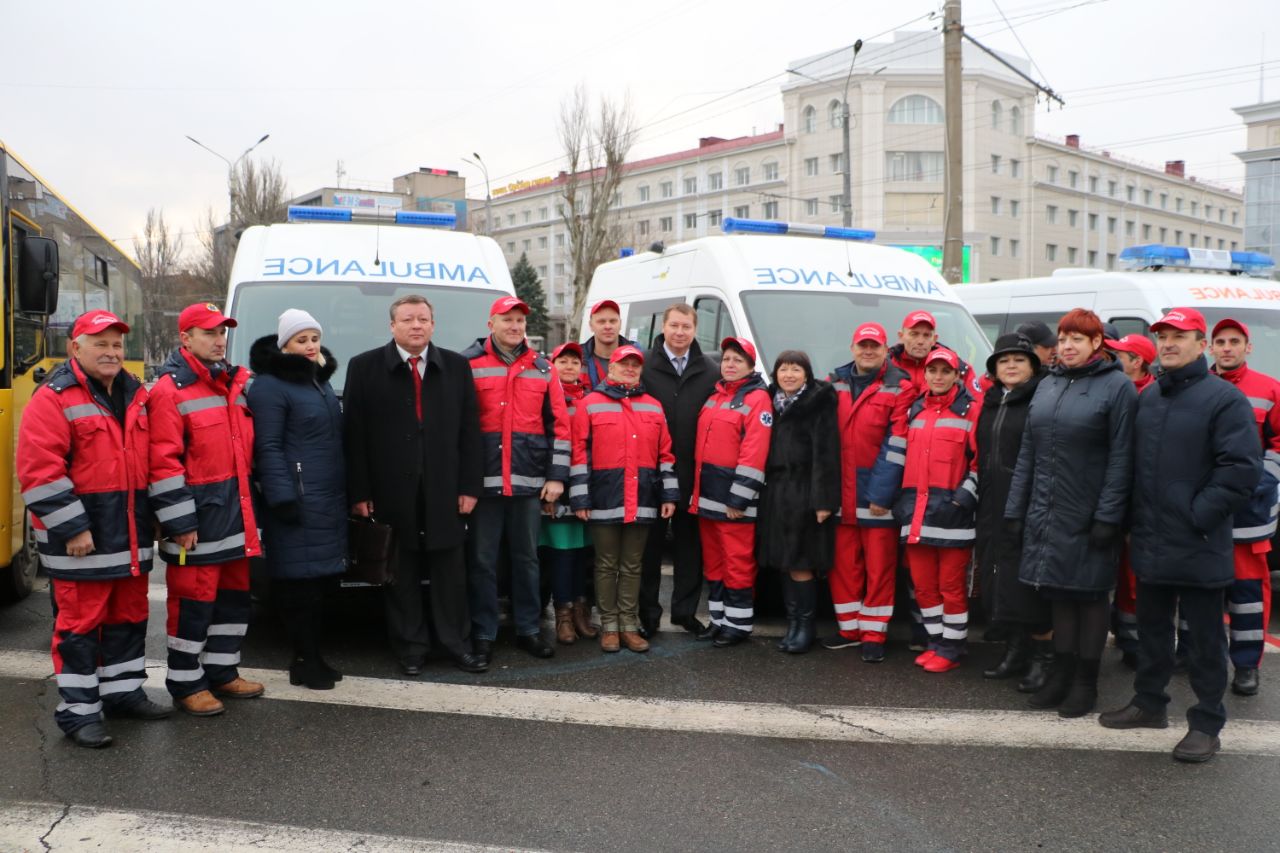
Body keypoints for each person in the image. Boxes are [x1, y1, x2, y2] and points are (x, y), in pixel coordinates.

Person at [1099, 307, 1261, 764]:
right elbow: (1134, 466)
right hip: (1151, 540)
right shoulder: (1150, 398)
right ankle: (1149, 703)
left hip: (1198, 541)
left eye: (1179, 336)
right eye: (1162, 335)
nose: (1168, 343)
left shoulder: (1224, 400)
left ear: (1201, 343)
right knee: (1152, 630)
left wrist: (1196, 515)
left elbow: (1241, 470)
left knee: (1206, 640)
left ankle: (1207, 723)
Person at [17, 310, 169, 747]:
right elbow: (39, 471)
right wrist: (73, 528)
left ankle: (122, 694)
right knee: (80, 627)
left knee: (128, 618)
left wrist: (158, 518)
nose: (112, 352)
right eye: (100, 343)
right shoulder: (54, 398)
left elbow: (148, 466)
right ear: (75, 348)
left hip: (130, 539)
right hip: (83, 542)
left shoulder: (135, 394)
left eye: (117, 344)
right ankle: (79, 712)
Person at [1005, 308, 1136, 718]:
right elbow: (1029, 451)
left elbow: (1122, 459)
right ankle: (1060, 674)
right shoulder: (1049, 384)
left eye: (1077, 339)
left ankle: (1085, 682)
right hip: (1046, 509)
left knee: (1090, 597)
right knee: (1058, 593)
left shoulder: (1117, 387)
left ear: (1097, 343)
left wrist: (1108, 517)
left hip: (1089, 511)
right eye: (1063, 339)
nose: (1068, 346)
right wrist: (1016, 509)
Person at [345, 295, 485, 676]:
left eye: (423, 318)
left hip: (445, 489)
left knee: (450, 573)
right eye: (407, 319)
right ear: (392, 326)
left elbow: (470, 431)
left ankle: (458, 645)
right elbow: (354, 436)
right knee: (401, 573)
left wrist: (470, 486)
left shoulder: (456, 367)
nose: (416, 325)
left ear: (433, 325)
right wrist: (360, 493)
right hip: (391, 491)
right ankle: (411, 648)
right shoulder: (365, 367)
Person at [149, 303, 264, 716]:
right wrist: (178, 521)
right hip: (197, 523)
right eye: (209, 333)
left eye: (222, 333)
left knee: (233, 601)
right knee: (192, 604)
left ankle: (222, 671)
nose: (219, 341)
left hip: (235, 517)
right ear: (185, 338)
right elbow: (163, 463)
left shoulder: (233, 383)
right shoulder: (169, 391)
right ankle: (184, 682)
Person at [463, 295, 571, 663]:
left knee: (527, 559)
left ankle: (528, 629)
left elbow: (561, 426)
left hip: (528, 484)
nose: (514, 327)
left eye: (520, 321)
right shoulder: (469, 364)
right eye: (507, 320)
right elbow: (459, 428)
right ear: (490, 323)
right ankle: (483, 633)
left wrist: (556, 478)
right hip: (484, 483)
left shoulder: (543, 369)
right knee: (482, 561)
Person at [246, 310, 346, 690]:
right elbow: (267, 447)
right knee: (298, 587)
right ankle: (303, 660)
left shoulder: (317, 383)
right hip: (297, 502)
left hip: (325, 500)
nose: (309, 346)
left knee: (319, 587)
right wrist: (282, 497)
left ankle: (313, 656)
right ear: (284, 344)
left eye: (314, 339)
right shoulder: (271, 385)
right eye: (301, 340)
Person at [570, 345, 679, 652]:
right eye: (623, 364)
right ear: (612, 368)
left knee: (632, 566)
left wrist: (668, 494)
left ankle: (629, 625)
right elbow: (580, 454)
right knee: (606, 565)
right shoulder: (590, 404)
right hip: (604, 497)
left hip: (642, 497)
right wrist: (581, 499)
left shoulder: (653, 407)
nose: (630, 369)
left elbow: (665, 456)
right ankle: (609, 626)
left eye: (635, 365)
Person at [823, 322, 912, 662]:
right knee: (844, 566)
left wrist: (880, 494)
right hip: (841, 495)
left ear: (885, 348)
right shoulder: (835, 383)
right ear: (852, 348)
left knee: (879, 568)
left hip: (877, 497)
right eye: (863, 345)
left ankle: (874, 633)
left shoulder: (900, 386)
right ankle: (849, 629)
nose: (868, 351)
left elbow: (896, 444)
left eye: (875, 346)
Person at [895, 348, 980, 673]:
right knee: (924, 586)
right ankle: (936, 641)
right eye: (933, 371)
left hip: (952, 518)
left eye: (946, 371)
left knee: (951, 587)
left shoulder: (971, 410)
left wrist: (961, 500)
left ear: (957, 375)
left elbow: (980, 463)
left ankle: (953, 646)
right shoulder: (916, 409)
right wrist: (901, 503)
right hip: (916, 516)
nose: (939, 376)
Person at [974, 334, 1051, 688]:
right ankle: (1015, 649)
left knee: (1029, 584)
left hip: (1028, 503)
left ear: (1033, 366)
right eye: (1004, 360)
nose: (1011, 366)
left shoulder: (1040, 399)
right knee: (1002, 578)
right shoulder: (991, 401)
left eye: (1019, 360)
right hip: (992, 502)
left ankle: (1040, 659)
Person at [1208, 317, 1279, 697]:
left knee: (1247, 594)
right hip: (1202, 510)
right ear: (1209, 346)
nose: (1227, 347)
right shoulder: (1195, 387)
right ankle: (1192, 654)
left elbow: (1279, 443)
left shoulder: (1269, 388)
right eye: (1220, 341)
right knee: (1197, 587)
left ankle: (1247, 665)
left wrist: (1258, 482)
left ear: (1247, 348)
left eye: (1234, 341)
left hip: (1248, 514)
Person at [639, 303, 720, 637]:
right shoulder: (644, 365)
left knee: (690, 549)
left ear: (695, 329)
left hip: (692, 473)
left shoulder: (710, 370)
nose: (680, 332)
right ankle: (648, 615)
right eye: (674, 325)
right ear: (664, 327)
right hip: (651, 472)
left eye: (686, 326)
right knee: (649, 549)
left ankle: (685, 613)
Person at [690, 337, 772, 647]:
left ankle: (738, 625)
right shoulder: (715, 396)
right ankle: (719, 620)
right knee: (714, 564)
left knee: (737, 563)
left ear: (751, 366)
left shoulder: (757, 399)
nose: (730, 364)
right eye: (726, 359)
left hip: (734, 503)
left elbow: (754, 453)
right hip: (707, 499)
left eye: (738, 360)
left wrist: (739, 498)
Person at [755, 350, 840, 654]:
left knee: (802, 562)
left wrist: (823, 501)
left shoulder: (818, 403)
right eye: (783, 369)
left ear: (807, 374)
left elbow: (826, 454)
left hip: (805, 492)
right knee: (784, 562)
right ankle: (793, 623)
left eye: (795, 369)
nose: (788, 375)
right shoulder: (770, 402)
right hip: (777, 492)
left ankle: (806, 627)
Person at [1104, 332, 1157, 669]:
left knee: (1134, 578)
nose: (1113, 358)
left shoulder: (1154, 396)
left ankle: (1133, 642)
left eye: (1121, 354)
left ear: (1137, 362)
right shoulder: (1114, 388)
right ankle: (1123, 634)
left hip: (1140, 504)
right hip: (1112, 497)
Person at [541, 342, 597, 645]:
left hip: (586, 490)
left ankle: (580, 611)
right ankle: (562, 614)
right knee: (561, 555)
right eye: (562, 360)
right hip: (558, 490)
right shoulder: (545, 398)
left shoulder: (591, 400)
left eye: (575, 362)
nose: (569, 366)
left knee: (581, 555)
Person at [889, 309, 984, 398]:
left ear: (934, 339)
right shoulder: (885, 365)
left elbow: (976, 405)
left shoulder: (958, 367)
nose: (920, 341)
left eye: (927, 335)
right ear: (901, 336)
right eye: (914, 334)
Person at [580, 299, 633, 390]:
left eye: (613, 321)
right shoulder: (577, 358)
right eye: (601, 322)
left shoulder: (638, 357)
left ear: (620, 324)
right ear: (591, 326)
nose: (608, 326)